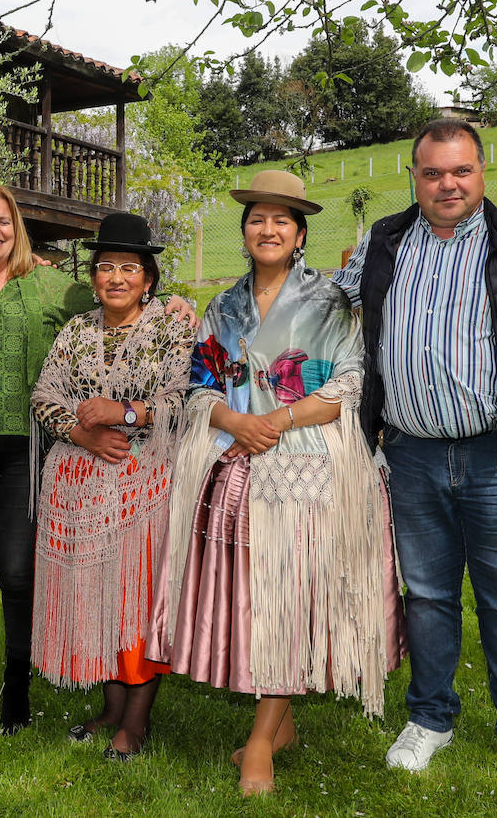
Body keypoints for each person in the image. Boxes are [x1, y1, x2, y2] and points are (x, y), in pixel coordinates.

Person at [333, 119, 497, 797]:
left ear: (482, 172)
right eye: (432, 173)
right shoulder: (385, 241)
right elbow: (335, 301)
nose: (447, 184)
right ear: (414, 178)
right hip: (412, 454)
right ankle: (431, 718)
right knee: (425, 595)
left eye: (461, 171)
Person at [0, 184, 196, 736]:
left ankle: (20, 688)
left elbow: (161, 360)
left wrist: (177, 303)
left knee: (21, 573)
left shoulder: (48, 287)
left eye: (4, 222)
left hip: (40, 455)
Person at [150, 170, 404, 796]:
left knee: (295, 596)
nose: (268, 229)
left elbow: (348, 383)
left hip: (309, 466)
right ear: (244, 232)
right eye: (257, 219)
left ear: (299, 236)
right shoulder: (224, 306)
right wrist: (233, 418)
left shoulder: (328, 303)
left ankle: (260, 740)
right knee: (258, 600)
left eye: (281, 221)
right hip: (235, 462)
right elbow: (199, 379)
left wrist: (278, 418)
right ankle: (279, 721)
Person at [29, 212, 193, 761]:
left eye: (128, 268)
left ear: (148, 278)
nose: (115, 278)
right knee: (98, 599)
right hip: (80, 494)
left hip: (146, 488)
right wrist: (81, 431)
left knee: (138, 602)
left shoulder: (173, 331)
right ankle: (111, 709)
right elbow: (44, 396)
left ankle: (137, 722)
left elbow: (184, 401)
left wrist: (125, 412)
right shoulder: (76, 333)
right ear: (94, 276)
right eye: (105, 267)